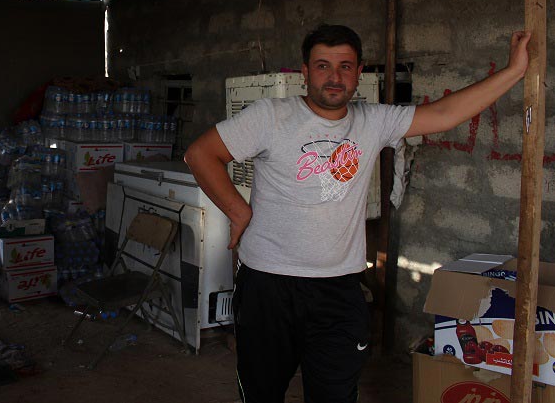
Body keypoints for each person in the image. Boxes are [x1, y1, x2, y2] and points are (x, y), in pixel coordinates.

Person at [183, 24, 530, 403]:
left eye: (345, 66)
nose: (334, 77)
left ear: (359, 72)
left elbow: (445, 113)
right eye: (323, 66)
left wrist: (514, 71)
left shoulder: (373, 121)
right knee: (261, 393)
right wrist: (239, 212)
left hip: (338, 289)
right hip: (268, 286)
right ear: (305, 71)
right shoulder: (271, 116)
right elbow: (201, 154)